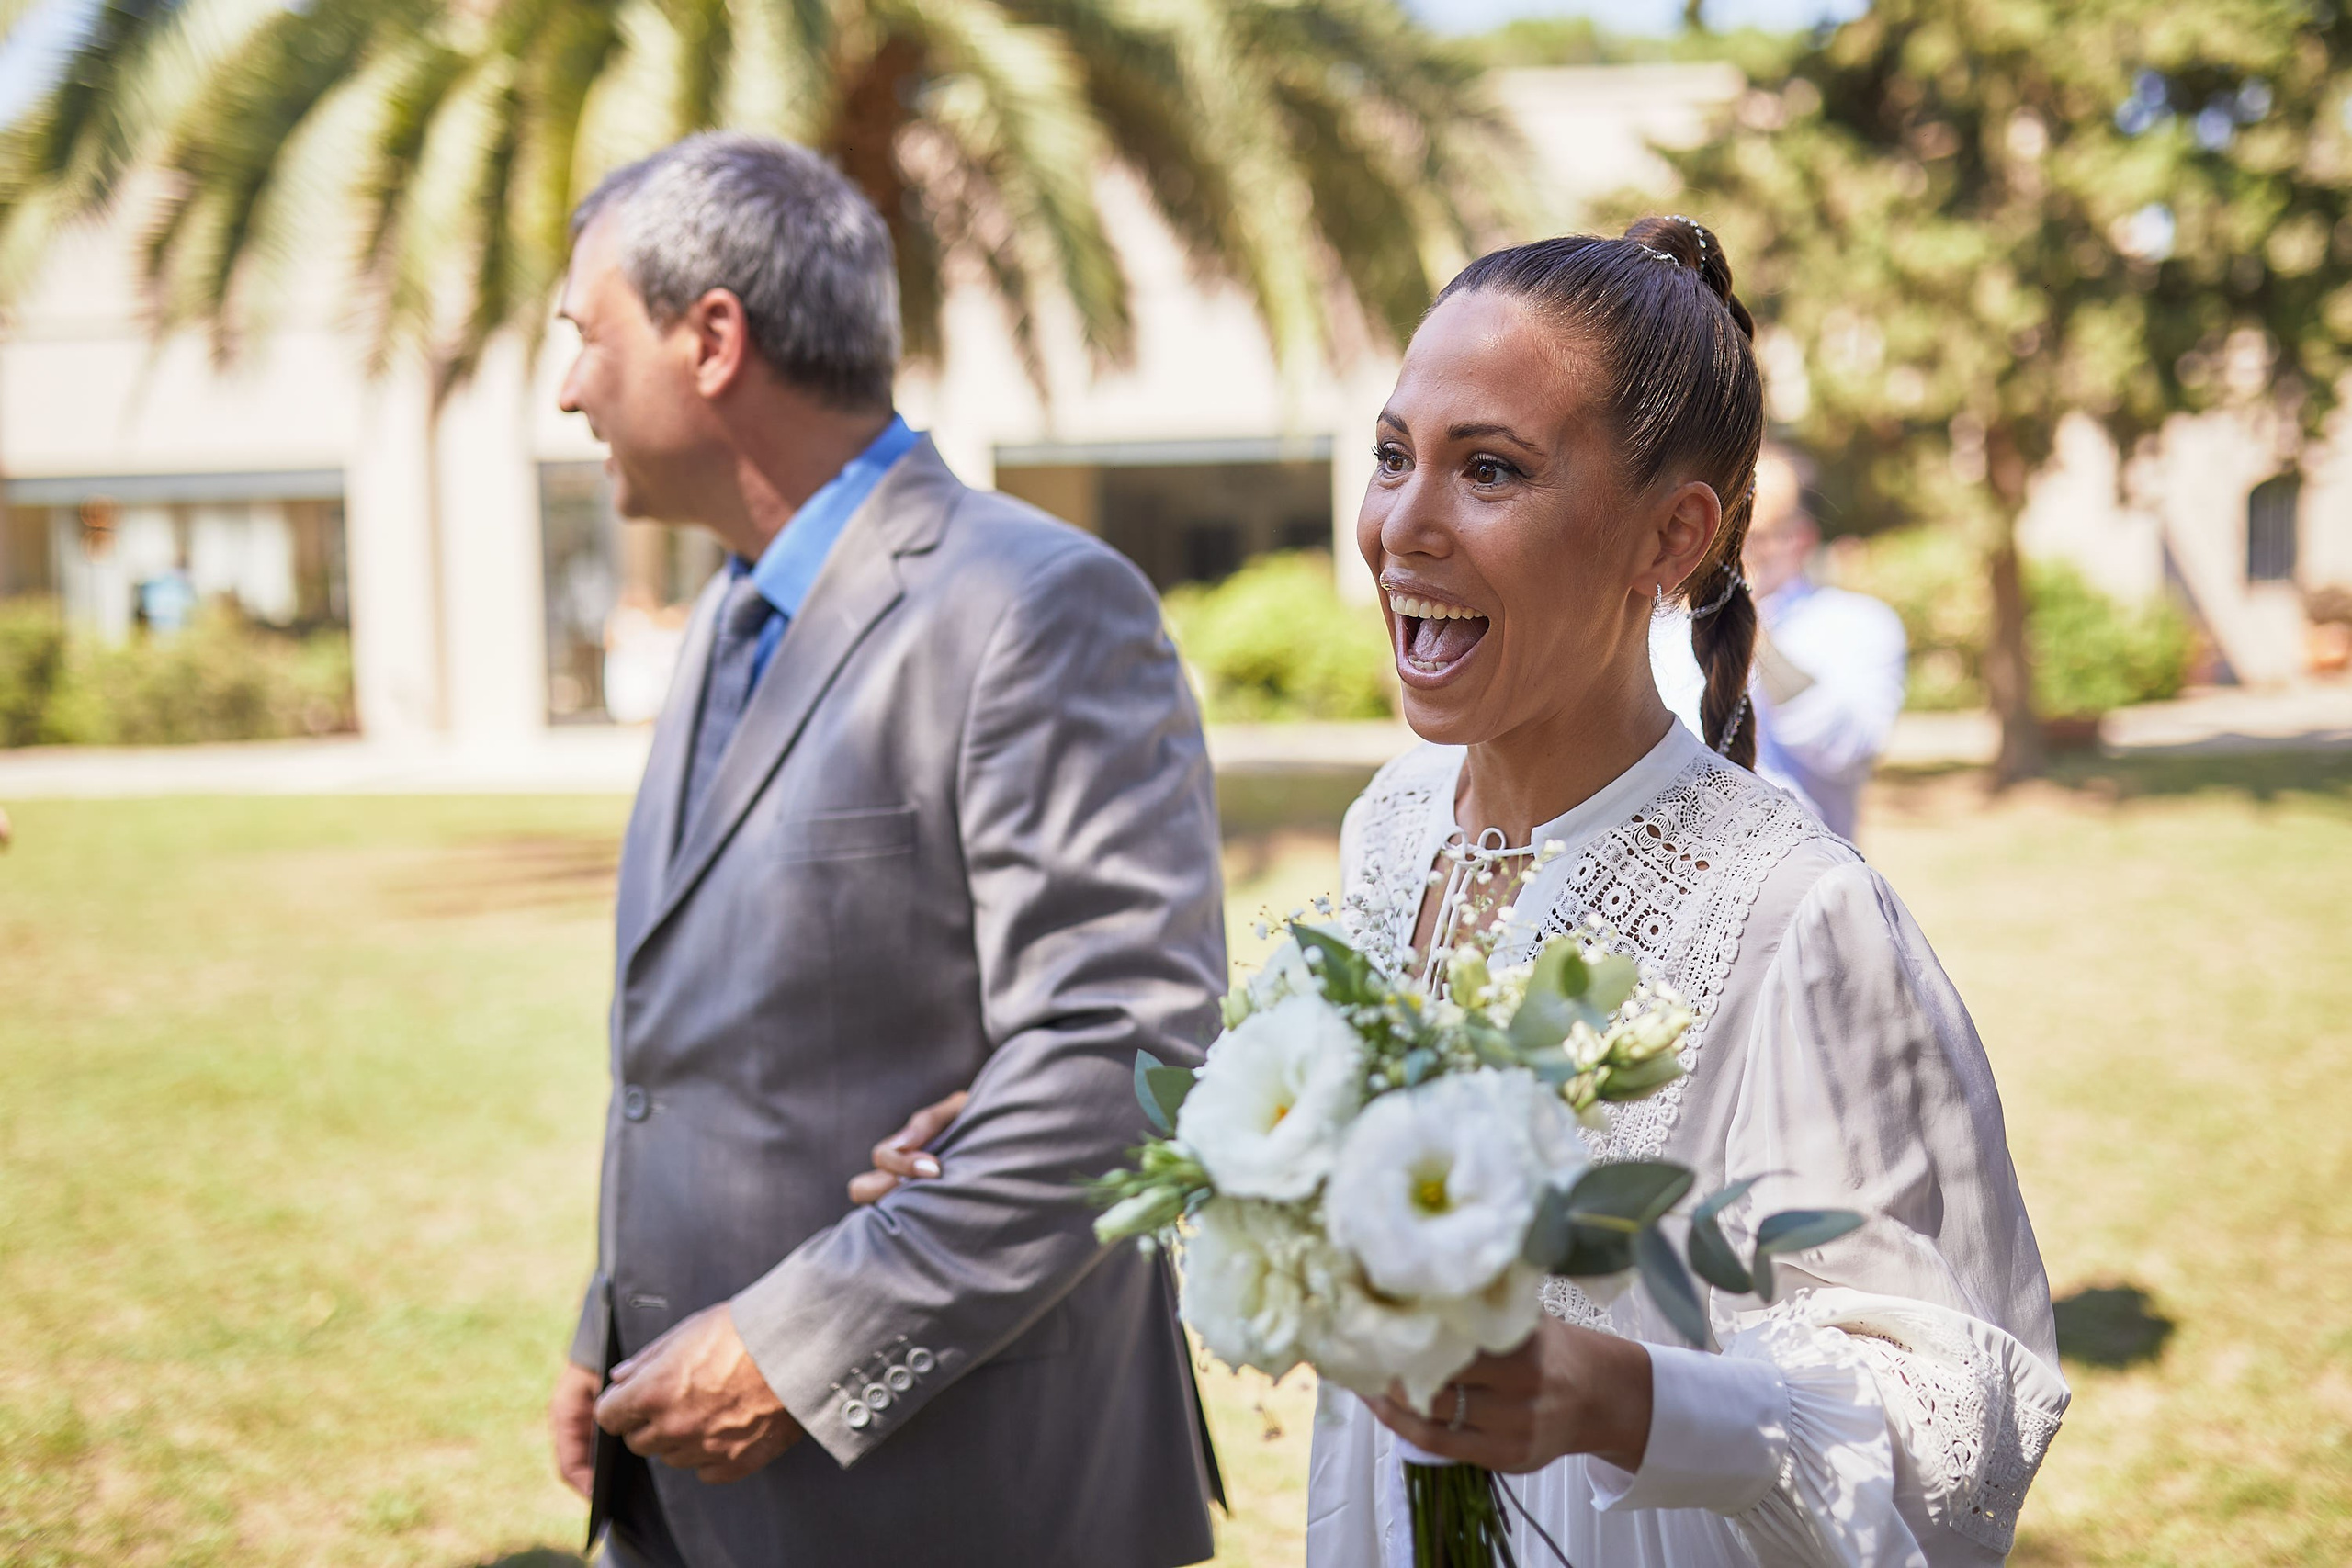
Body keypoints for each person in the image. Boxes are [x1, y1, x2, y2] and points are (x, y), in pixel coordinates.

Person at [876, 217, 2069, 1566]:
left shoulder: (1794, 914)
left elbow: (1952, 1433)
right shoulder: (1390, 826)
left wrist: (1626, 1397)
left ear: (1671, 535)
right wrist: (1095, 1126)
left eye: (1489, 468)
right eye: (1394, 456)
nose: (1401, 525)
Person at [545, 131, 1226, 1568]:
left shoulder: (1038, 606)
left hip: (958, 1495)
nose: (569, 389)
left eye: (586, 336)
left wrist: (799, 1349)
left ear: (711, 337)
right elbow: (701, 1046)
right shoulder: (731, 609)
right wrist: (611, 1316)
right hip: (687, 1478)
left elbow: (1124, 1052)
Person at [1653, 446, 1906, 840]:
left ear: (1801, 539)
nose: (1728, 551)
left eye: (1752, 535)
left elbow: (1849, 749)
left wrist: (1739, 621)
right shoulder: (1657, 625)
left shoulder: (1858, 623)